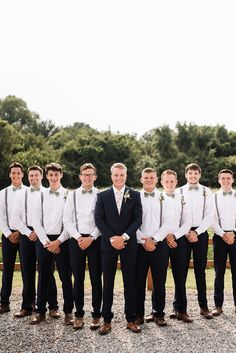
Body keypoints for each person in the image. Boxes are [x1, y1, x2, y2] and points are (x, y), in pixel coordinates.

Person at [95, 162, 142, 335]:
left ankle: (131, 319)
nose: (119, 178)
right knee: (108, 283)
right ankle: (106, 320)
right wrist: (112, 238)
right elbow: (99, 219)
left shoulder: (134, 195)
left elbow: (137, 220)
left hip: (128, 244)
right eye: (116, 175)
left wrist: (124, 237)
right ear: (111, 176)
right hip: (108, 245)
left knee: (130, 282)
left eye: (122, 175)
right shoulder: (102, 195)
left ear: (126, 176)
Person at [30, 162, 73, 325]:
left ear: (61, 175)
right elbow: (36, 221)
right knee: (43, 276)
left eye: (56, 174)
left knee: (66, 277)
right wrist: (47, 242)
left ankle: (69, 312)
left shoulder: (69, 195)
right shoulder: (40, 195)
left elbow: (70, 221)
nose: (53, 177)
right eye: (51, 175)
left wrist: (59, 241)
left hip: (63, 240)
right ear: (47, 176)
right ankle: (40, 311)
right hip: (45, 240)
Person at [13, 165, 58, 318]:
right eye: (31, 176)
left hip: (44, 234)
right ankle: (27, 305)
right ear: (28, 177)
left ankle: (53, 306)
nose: (33, 178)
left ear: (42, 177)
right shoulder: (21, 194)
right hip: (26, 234)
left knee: (47, 271)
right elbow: (15, 218)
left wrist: (40, 233)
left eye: (36, 176)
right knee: (27, 270)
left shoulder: (49, 192)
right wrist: (27, 232)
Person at [63, 163, 102, 330]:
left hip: (95, 240)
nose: (87, 177)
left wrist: (92, 237)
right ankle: (78, 315)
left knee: (95, 278)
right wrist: (79, 237)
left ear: (95, 177)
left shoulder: (101, 195)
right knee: (78, 278)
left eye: (90, 174)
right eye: (84, 174)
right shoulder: (72, 195)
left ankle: (96, 315)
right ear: (80, 176)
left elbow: (103, 220)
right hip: (77, 240)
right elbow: (67, 220)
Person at [135, 167, 173, 327]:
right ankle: (138, 315)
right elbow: (130, 222)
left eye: (151, 177)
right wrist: (144, 240)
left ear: (156, 179)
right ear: (141, 179)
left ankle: (158, 313)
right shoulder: (134, 197)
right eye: (146, 177)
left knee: (159, 280)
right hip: (138, 244)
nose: (149, 180)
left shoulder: (164, 197)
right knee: (138, 281)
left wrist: (155, 239)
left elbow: (168, 222)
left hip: (160, 244)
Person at [179, 163, 214, 319]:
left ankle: (204, 307)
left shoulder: (207, 192)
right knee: (181, 271)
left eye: (196, 173)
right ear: (186, 175)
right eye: (190, 173)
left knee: (200, 271)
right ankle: (179, 308)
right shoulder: (179, 191)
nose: (193, 176)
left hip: (200, 233)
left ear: (200, 175)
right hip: (183, 234)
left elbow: (210, 215)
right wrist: (186, 231)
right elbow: (176, 214)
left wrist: (197, 232)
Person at [160, 169, 193, 323]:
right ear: (161, 182)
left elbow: (187, 221)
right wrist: (166, 235)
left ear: (177, 182)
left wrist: (175, 236)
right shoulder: (157, 197)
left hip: (178, 240)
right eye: (166, 181)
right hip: (161, 239)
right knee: (160, 277)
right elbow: (154, 220)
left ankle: (181, 310)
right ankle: (157, 312)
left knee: (180, 276)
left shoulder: (183, 198)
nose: (169, 183)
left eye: (172, 181)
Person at [0, 162, 27, 314]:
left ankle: (28, 303)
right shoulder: (2, 193)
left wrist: (20, 232)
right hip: (8, 235)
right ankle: (4, 302)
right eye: (13, 173)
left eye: (18, 173)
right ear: (9, 174)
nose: (16, 175)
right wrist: (9, 234)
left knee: (27, 270)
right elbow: (1, 216)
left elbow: (30, 215)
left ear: (22, 174)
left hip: (24, 235)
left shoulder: (30, 192)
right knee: (7, 269)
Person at [211, 169, 236, 316]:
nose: (226, 181)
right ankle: (218, 305)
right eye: (223, 178)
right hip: (219, 238)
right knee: (219, 272)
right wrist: (222, 234)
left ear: (232, 180)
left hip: (235, 236)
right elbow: (211, 219)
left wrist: (233, 232)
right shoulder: (213, 197)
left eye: (228, 178)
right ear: (219, 180)